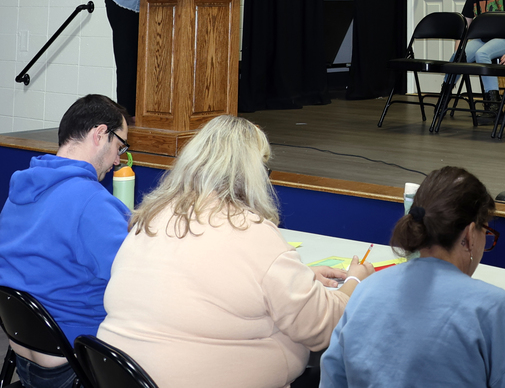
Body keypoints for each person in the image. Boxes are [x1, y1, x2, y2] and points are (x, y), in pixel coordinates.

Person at [97, 115, 373, 388]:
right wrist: (355, 283)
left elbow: (201, 283)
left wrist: (301, 276)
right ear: (254, 173)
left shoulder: (149, 219)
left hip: (120, 375)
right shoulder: (251, 232)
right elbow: (321, 328)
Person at [319, 166, 505, 388]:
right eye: (486, 231)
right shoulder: (490, 308)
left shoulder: (365, 291)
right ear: (470, 235)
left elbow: (332, 378)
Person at [0, 94, 130, 388]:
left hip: (25, 358)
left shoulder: (21, 187)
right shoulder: (91, 202)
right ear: (100, 134)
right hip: (77, 367)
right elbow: (137, 279)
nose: (117, 159)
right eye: (120, 146)